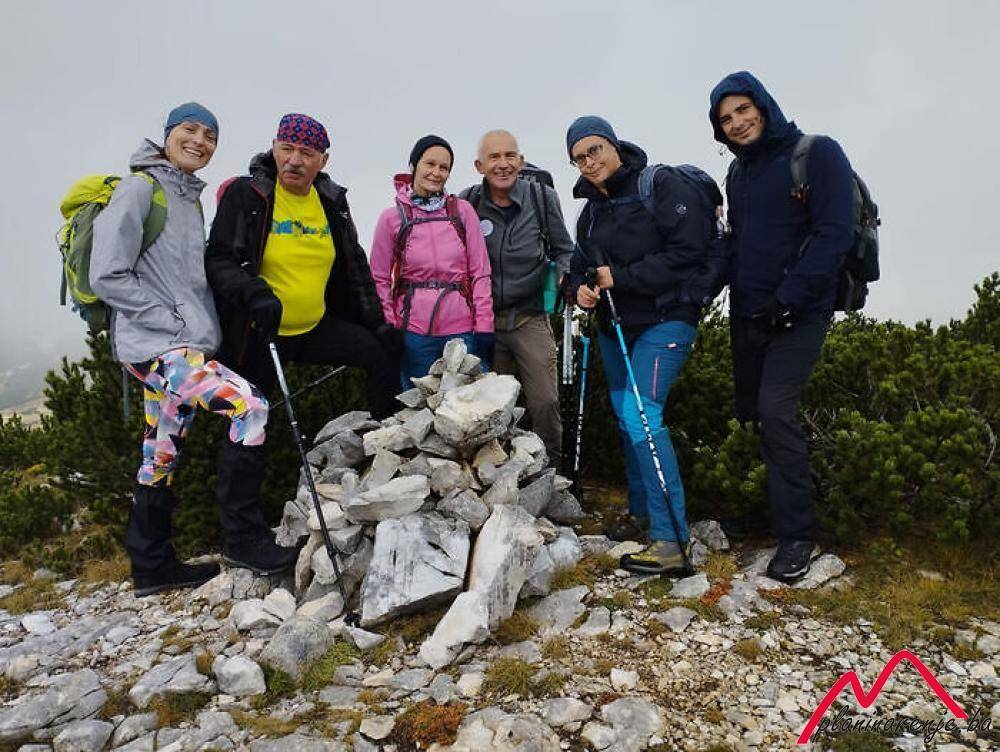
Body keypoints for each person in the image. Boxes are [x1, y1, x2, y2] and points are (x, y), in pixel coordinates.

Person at [205, 113, 400, 574]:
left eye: (306, 153)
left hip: (313, 326)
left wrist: (377, 324)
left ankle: (390, 455)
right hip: (259, 333)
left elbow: (353, 267)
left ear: (322, 160)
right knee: (249, 422)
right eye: (286, 148)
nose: (294, 160)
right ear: (274, 147)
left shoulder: (330, 202)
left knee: (378, 354)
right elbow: (218, 260)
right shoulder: (247, 195)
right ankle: (241, 537)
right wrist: (252, 293)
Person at [90, 102, 270, 597]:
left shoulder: (189, 199)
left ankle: (152, 566)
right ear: (167, 134)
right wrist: (169, 322)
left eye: (210, 135)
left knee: (160, 453)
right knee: (251, 408)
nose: (200, 141)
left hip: (181, 347)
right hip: (160, 348)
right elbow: (106, 274)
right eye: (190, 130)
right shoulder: (139, 189)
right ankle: (244, 539)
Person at [709, 71, 854, 581]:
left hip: (801, 312)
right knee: (752, 412)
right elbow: (736, 244)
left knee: (776, 411)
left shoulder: (816, 153)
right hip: (750, 313)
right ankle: (766, 515)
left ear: (763, 106)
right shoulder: (738, 173)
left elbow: (835, 232)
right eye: (725, 118)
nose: (737, 122)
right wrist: (699, 292)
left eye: (743, 110)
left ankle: (797, 536)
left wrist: (790, 298)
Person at [564, 116, 712, 575]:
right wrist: (578, 290)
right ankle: (642, 514)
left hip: (667, 320)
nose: (589, 162)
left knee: (640, 415)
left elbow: (690, 251)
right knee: (627, 417)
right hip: (615, 328)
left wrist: (622, 278)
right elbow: (577, 268)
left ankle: (672, 541)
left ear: (614, 145)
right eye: (579, 158)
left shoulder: (659, 185)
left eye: (594, 150)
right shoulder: (590, 214)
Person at [459, 130, 574, 467]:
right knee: (491, 408)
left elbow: (564, 249)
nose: (503, 164)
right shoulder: (467, 204)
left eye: (510, 156)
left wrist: (563, 278)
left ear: (521, 161)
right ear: (479, 165)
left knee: (544, 402)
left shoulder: (542, 198)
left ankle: (551, 472)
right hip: (484, 323)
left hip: (530, 318)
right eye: (494, 157)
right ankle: (493, 474)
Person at [370, 135, 494, 386]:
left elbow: (480, 272)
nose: (436, 173)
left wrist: (484, 326)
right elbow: (379, 278)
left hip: (462, 330)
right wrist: (389, 326)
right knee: (419, 406)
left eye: (444, 167)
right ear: (414, 165)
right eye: (430, 164)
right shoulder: (392, 218)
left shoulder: (462, 212)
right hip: (413, 333)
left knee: (466, 404)